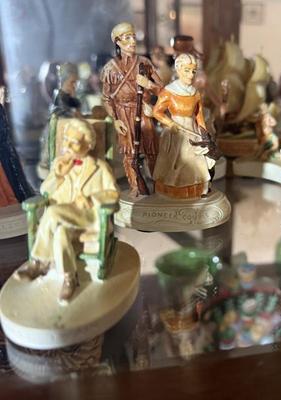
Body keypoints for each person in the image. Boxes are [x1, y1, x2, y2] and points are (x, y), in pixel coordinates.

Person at [15, 119, 119, 302]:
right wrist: (58, 175)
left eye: (74, 142)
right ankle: (69, 278)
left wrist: (91, 199)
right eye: (66, 140)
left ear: (88, 145)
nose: (67, 146)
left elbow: (113, 193)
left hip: (87, 217)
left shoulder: (100, 167)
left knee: (52, 213)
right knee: (60, 233)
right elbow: (45, 191)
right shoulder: (59, 164)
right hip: (63, 220)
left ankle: (39, 262)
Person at [101, 22, 163, 195]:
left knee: (151, 149)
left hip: (142, 110)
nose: (133, 41)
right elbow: (106, 98)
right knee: (129, 153)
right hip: (123, 113)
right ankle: (135, 186)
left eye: (134, 37)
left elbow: (162, 90)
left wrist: (148, 84)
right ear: (118, 42)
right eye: (127, 38)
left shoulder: (144, 63)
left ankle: (158, 184)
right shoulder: (110, 69)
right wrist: (115, 120)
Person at [152, 53, 216, 199]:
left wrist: (204, 134)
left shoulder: (195, 93)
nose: (191, 75)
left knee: (196, 161)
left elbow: (199, 115)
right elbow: (157, 112)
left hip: (192, 130)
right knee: (179, 160)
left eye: (193, 71)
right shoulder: (169, 92)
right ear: (178, 69)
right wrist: (170, 123)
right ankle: (175, 191)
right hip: (176, 131)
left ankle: (197, 189)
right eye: (187, 70)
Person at [0, 86, 33, 207]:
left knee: (13, 175)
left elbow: (5, 130)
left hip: (6, 148)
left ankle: (20, 195)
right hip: (5, 149)